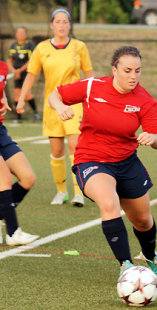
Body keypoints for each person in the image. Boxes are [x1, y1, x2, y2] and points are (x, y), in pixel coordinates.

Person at [48, 46, 157, 278]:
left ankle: (150, 255)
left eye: (137, 71)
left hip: (126, 162)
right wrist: (61, 106)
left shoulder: (145, 100)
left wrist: (152, 138)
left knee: (143, 220)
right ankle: (126, 265)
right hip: (91, 159)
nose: (133, 76)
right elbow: (55, 95)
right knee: (109, 201)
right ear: (114, 69)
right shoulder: (93, 86)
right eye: (127, 70)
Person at [17, 8, 94, 207]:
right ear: (52, 25)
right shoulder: (42, 49)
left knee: (75, 147)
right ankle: (61, 192)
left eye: (65, 21)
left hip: (75, 104)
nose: (61, 25)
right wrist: (21, 99)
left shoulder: (79, 47)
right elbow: (31, 75)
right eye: (57, 21)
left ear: (70, 25)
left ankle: (79, 192)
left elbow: (89, 75)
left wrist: (94, 100)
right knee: (57, 150)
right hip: (52, 105)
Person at [0, 60, 39, 246]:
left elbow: (2, 92)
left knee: (28, 177)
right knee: (4, 180)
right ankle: (13, 232)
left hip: (0, 131)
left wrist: (4, 100)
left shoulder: (3, 67)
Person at [7, 26, 40, 122]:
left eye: (22, 33)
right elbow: (9, 60)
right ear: (16, 34)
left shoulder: (30, 45)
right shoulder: (13, 46)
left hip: (26, 73)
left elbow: (31, 60)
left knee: (27, 94)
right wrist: (14, 70)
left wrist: (20, 70)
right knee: (16, 94)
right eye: (18, 33)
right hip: (16, 74)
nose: (20, 35)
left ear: (26, 34)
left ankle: (36, 113)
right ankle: (19, 117)